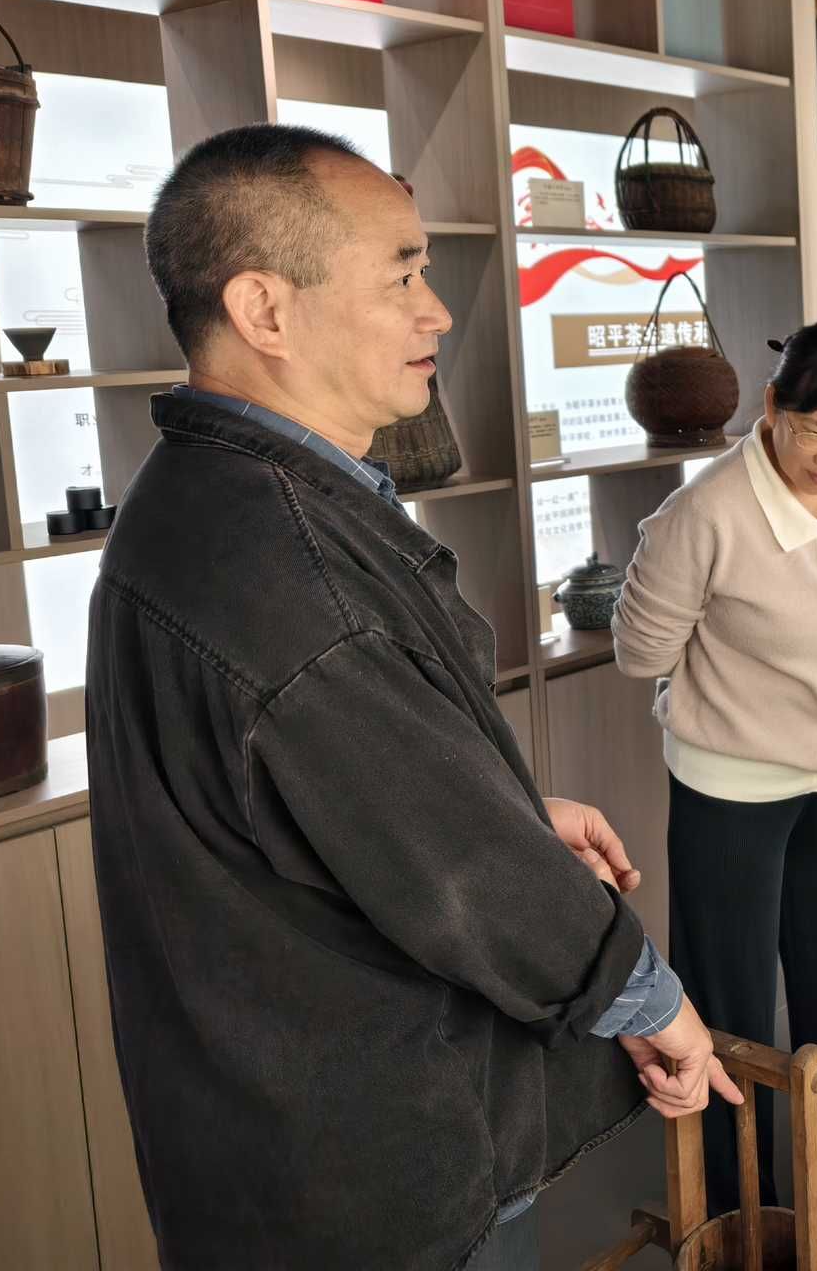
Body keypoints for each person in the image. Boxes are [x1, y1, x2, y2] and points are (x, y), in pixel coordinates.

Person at [86, 125, 738, 1271]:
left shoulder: (209, 498)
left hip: (270, 1139)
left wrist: (508, 810)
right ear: (265, 309)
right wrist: (650, 1002)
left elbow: (347, 789)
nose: (436, 311)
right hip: (367, 1168)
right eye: (400, 276)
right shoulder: (283, 569)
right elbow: (459, 869)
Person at [613, 321, 817, 1216]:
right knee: (730, 1009)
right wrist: (724, 685)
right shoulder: (705, 514)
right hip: (730, 788)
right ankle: (740, 1208)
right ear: (772, 407)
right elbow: (639, 651)